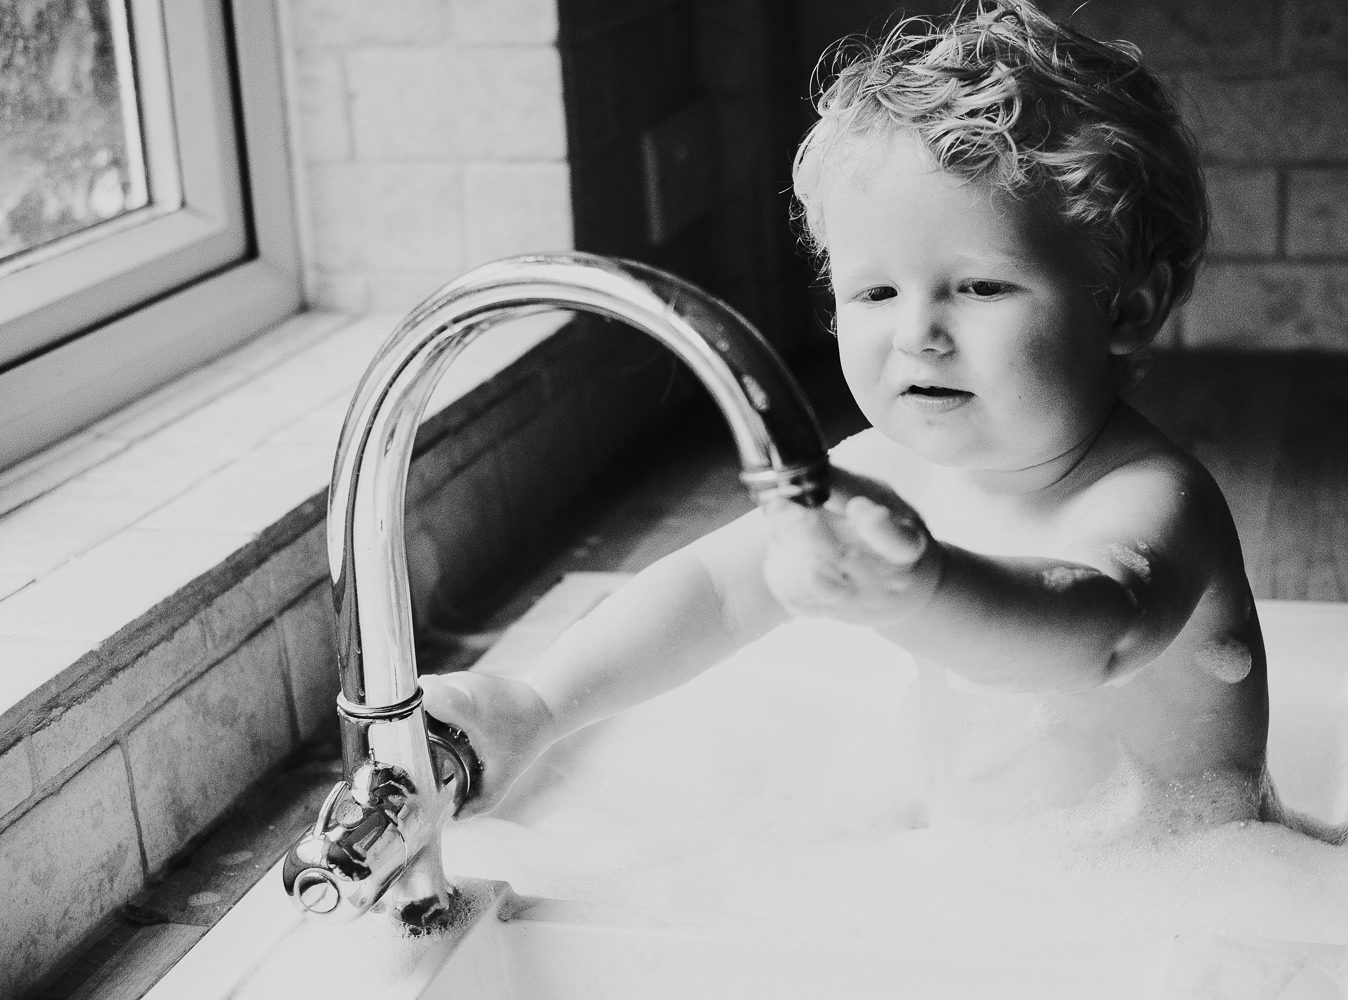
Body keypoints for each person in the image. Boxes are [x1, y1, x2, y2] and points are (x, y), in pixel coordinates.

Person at [423, 0, 1271, 834]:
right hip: (1012, 875)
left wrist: (923, 590)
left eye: (980, 287)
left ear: (1127, 309)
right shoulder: (892, 470)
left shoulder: (1153, 499)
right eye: (874, 291)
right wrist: (539, 706)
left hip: (1167, 904)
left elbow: (1099, 637)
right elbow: (718, 590)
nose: (917, 335)